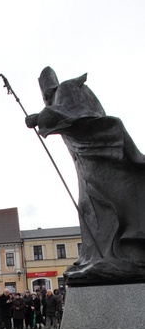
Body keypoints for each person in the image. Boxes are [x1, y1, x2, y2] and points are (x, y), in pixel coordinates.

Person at [25, 66, 145, 283]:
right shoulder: (61, 97)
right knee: (89, 206)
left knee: (104, 201)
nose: (46, 100)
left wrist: (40, 117)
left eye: (45, 96)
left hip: (99, 153)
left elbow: (77, 115)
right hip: (88, 160)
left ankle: (119, 255)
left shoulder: (67, 88)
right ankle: (97, 256)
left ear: (47, 91)